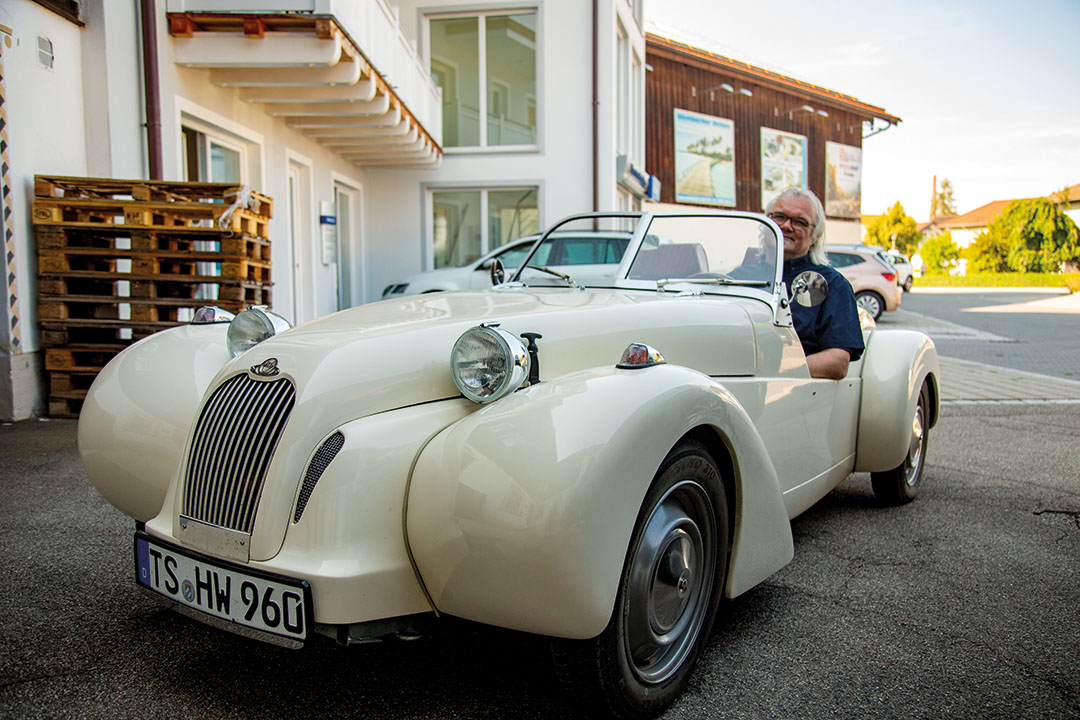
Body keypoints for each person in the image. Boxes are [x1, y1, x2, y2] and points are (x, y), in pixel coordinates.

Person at [765, 187, 863, 380]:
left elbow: (838, 362)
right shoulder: (737, 277)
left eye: (800, 222)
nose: (786, 226)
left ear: (814, 237)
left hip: (795, 393)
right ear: (766, 223)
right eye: (779, 217)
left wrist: (774, 373)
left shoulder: (832, 284)